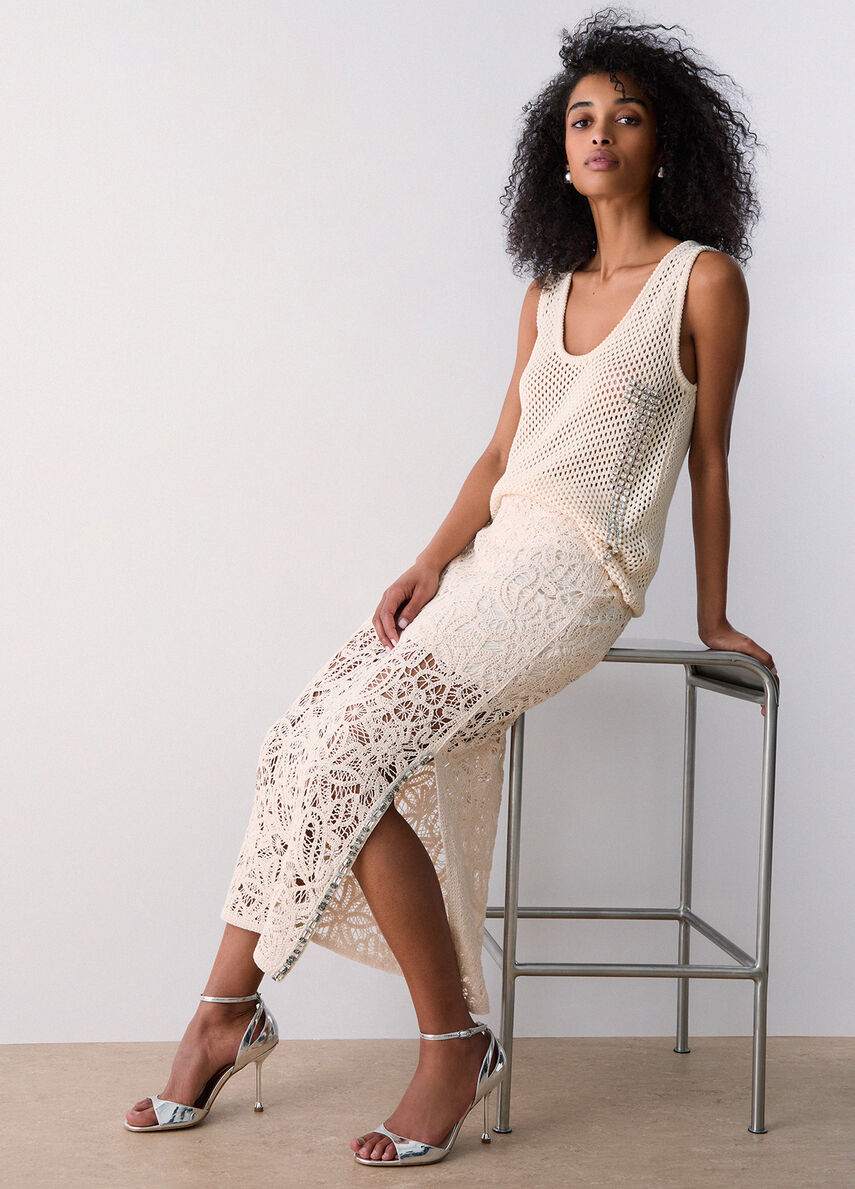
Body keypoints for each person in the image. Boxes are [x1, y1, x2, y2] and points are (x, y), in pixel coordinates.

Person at [124, 9, 779, 1167]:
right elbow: (500, 455)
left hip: (577, 579)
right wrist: (430, 559)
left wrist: (711, 614)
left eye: (626, 116)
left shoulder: (704, 282)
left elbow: (713, 458)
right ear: (557, 150)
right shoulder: (545, 293)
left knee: (351, 754)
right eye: (580, 117)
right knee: (300, 742)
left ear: (664, 142)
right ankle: (228, 1011)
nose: (600, 132)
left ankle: (452, 1042)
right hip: (488, 563)